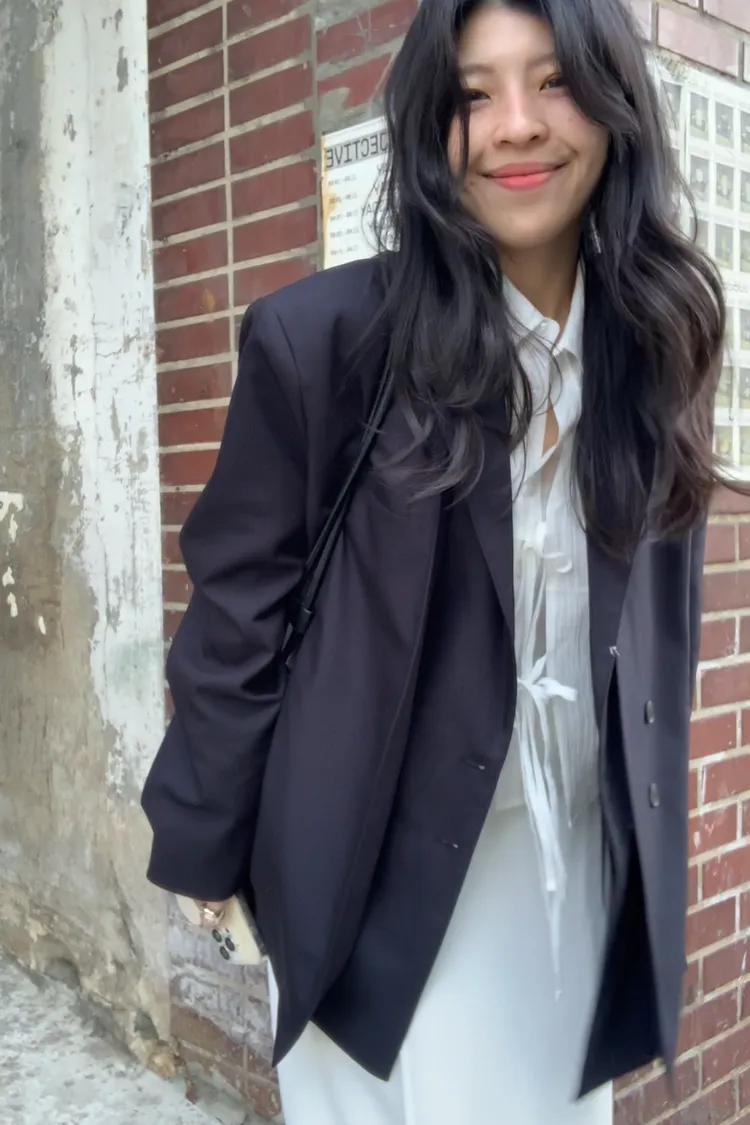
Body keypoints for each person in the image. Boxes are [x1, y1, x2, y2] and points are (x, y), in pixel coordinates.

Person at [141, 0, 733, 1121]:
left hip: (572, 873)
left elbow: (663, 621)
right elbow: (235, 626)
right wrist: (203, 850)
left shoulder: (657, 346)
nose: (516, 124)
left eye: (554, 80)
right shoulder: (323, 342)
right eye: (472, 92)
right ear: (429, 125)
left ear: (616, 104)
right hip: (368, 880)